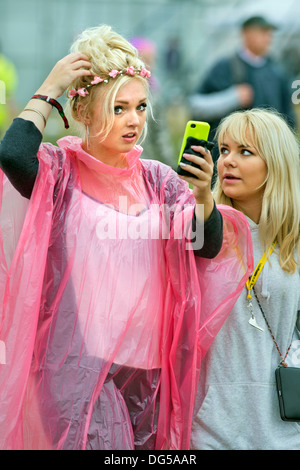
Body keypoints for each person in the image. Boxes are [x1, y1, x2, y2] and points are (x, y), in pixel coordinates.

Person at [0, 25, 252, 450]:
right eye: (119, 108)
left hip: (147, 369)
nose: (134, 120)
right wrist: (50, 87)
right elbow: (11, 154)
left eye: (139, 106)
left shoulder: (159, 181)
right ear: (83, 113)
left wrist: (205, 197)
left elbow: (204, 245)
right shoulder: (59, 174)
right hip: (74, 368)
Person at [191, 108, 300, 450]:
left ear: (276, 164)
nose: (227, 162)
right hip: (209, 429)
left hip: (284, 430)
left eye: (245, 152)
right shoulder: (204, 231)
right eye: (223, 150)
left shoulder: (294, 242)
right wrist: (196, 199)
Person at [189, 16, 296, 155]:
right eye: (263, 32)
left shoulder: (276, 71)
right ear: (246, 34)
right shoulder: (225, 67)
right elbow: (196, 105)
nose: (268, 38)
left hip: (268, 153)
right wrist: (233, 97)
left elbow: (288, 115)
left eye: (269, 33)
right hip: (230, 155)